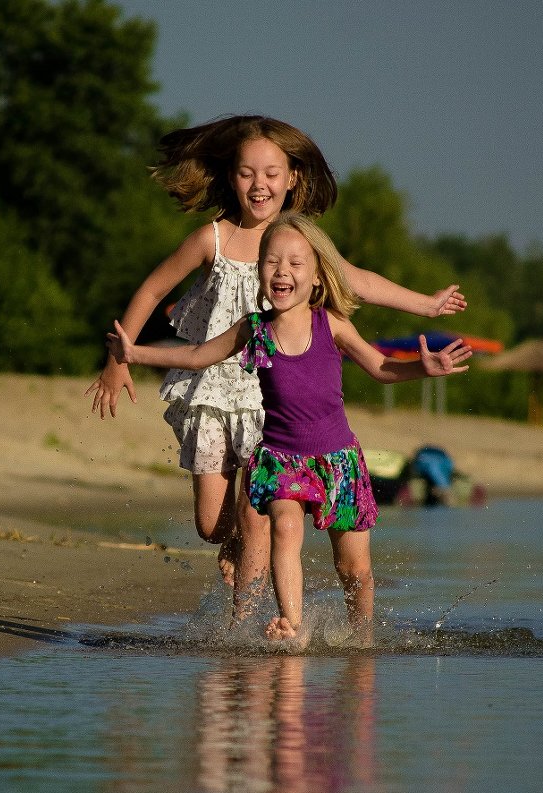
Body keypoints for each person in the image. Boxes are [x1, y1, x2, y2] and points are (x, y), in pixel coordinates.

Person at [85, 115, 466, 618]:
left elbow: (360, 281)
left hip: (271, 395)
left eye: (271, 173)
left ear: (293, 179)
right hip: (215, 386)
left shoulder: (300, 246)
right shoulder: (212, 239)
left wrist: (427, 305)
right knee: (211, 525)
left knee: (262, 510)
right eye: (247, 173)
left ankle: (256, 625)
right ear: (230, 177)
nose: (259, 185)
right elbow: (154, 290)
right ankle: (236, 546)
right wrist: (120, 359)